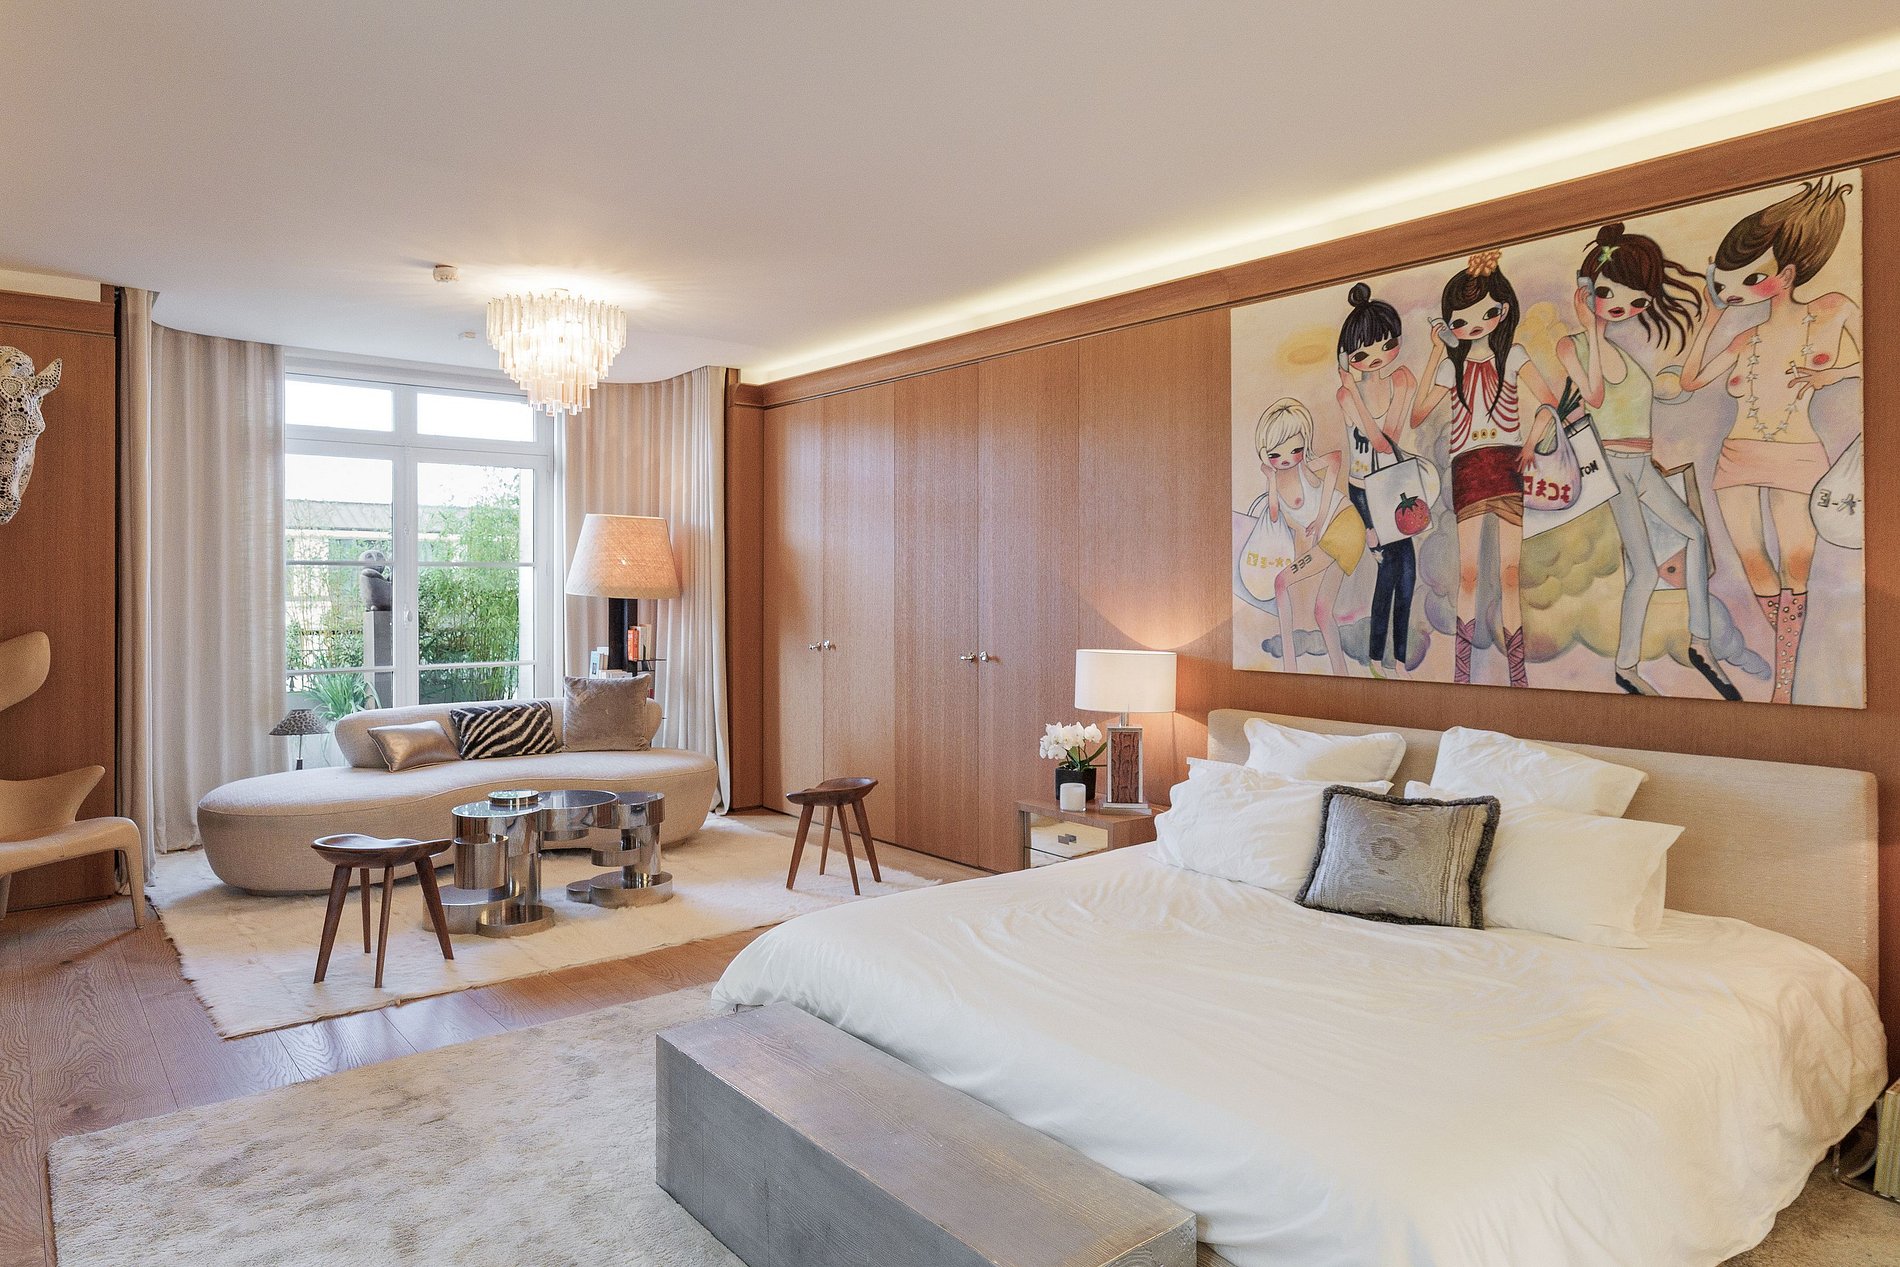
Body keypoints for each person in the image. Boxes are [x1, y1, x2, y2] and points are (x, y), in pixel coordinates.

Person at [1680, 179, 1861, 703]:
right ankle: (1787, 676)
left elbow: (1880, 352)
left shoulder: (1833, 308)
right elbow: (1690, 380)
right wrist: (1710, 320)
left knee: (1794, 568)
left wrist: (1834, 373)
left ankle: (1784, 687)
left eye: (1752, 277)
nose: (1738, 289)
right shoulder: (1746, 338)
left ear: (1787, 274)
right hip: (1737, 456)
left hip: (1799, 454)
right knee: (1754, 565)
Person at [1556, 223, 1737, 699]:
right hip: (1613, 467)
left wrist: (1712, 319)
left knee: (1693, 533)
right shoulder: (1574, 346)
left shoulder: (1624, 354)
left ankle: (1700, 643)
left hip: (1642, 465)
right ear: (1587, 291)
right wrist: (1589, 328)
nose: (1623, 308)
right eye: (1609, 294)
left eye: (1636, 301)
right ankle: (1627, 666)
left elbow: (1651, 402)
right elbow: (1594, 396)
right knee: (1644, 568)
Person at [1410, 250, 1562, 687]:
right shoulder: (1450, 366)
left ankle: (1518, 674)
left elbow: (1549, 403)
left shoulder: (1513, 354)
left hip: (1506, 463)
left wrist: (1530, 444)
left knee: (1511, 575)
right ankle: (1462, 673)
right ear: (1449, 325)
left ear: (1504, 311)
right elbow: (1418, 415)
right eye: (1461, 320)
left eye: (1486, 313)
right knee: (1469, 574)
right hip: (1468, 468)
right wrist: (1435, 354)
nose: (1474, 325)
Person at [1335, 282, 1419, 677]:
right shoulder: (1344, 396)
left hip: (1394, 485)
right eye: (1361, 354)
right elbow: (1372, 443)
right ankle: (1376, 660)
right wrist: (1351, 391)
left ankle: (1396, 660)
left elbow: (1387, 441)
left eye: (1386, 345)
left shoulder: (1402, 380)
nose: (1375, 358)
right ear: (1348, 358)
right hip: (1364, 492)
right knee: (1389, 573)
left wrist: (1354, 391)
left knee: (1407, 575)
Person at [1246, 398, 1366, 675]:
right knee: (1322, 611)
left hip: (1345, 526)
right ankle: (1341, 673)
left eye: (1295, 449)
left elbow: (1335, 460)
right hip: (1339, 534)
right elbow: (1274, 515)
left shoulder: (1305, 468)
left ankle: (1290, 665)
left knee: (1281, 582)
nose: (1287, 458)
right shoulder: (1276, 481)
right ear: (1265, 453)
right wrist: (1271, 479)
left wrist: (1322, 517)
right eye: (1276, 453)